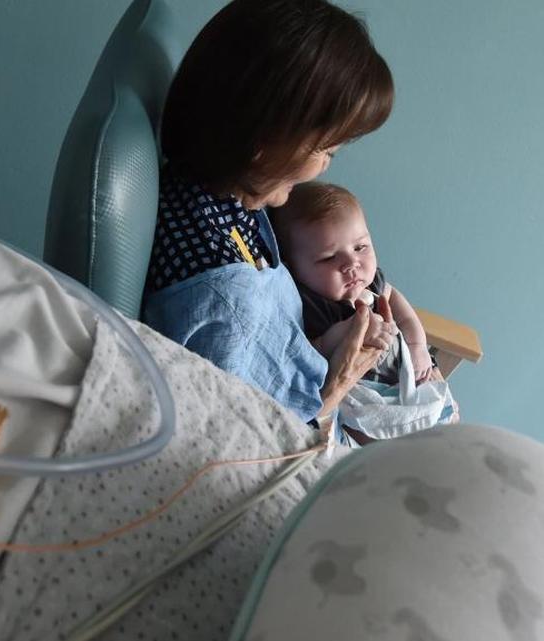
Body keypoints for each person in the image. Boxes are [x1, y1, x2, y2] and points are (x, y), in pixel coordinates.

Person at [141, 0, 396, 422]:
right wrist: (340, 381)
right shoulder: (225, 299)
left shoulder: (214, 196)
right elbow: (238, 439)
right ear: (268, 140)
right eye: (326, 150)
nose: (325, 167)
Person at [270, 181, 435, 385]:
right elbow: (303, 355)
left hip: (404, 378)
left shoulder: (372, 285)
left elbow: (399, 306)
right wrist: (341, 335)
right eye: (329, 258)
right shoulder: (305, 304)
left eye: (360, 247)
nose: (351, 264)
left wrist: (417, 345)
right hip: (353, 390)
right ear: (292, 268)